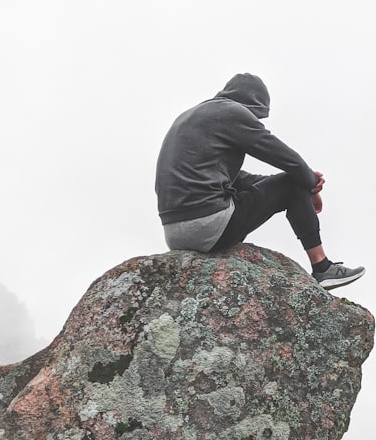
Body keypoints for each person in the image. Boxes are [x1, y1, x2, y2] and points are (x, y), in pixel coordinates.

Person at [155, 73, 365, 290]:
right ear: (253, 104)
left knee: (290, 182)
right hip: (206, 226)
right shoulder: (232, 112)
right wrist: (309, 183)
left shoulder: (194, 116)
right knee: (293, 182)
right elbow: (286, 158)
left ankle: (321, 262)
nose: (256, 122)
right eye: (257, 117)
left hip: (174, 233)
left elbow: (240, 179)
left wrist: (291, 183)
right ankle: (323, 268)